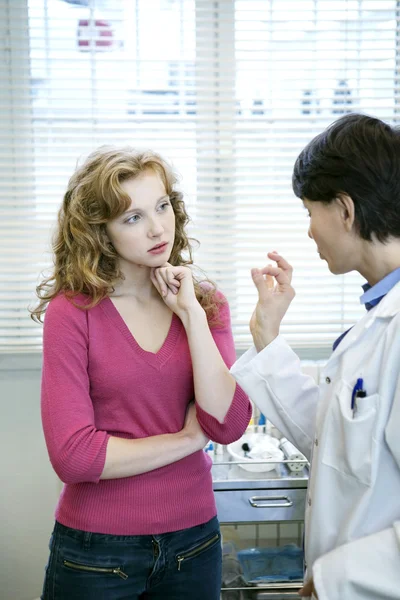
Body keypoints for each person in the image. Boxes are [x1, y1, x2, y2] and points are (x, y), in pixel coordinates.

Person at [31, 146, 251, 600]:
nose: (157, 228)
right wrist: (188, 439)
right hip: (95, 552)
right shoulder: (72, 313)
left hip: (196, 543)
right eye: (131, 218)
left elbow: (227, 424)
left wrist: (190, 315)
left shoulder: (205, 303)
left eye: (163, 206)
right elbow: (73, 456)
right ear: (99, 232)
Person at [230, 114, 400, 600]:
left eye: (310, 210)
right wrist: (267, 333)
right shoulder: (376, 318)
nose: (309, 231)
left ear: (345, 210)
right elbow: (335, 445)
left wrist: (335, 579)